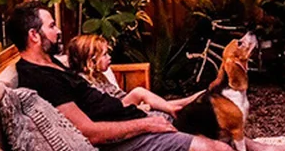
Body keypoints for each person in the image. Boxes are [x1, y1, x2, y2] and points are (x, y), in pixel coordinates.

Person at [7, 1, 285, 151]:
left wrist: (146, 112)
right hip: (121, 139)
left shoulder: (54, 65)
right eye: (51, 26)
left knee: (212, 122)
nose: (58, 31)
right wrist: (145, 123)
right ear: (34, 36)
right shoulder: (40, 77)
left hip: (130, 121)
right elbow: (89, 131)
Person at [66, 33, 203, 115]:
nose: (109, 57)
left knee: (155, 102)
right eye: (105, 54)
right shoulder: (85, 83)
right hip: (116, 110)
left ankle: (184, 102)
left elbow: (119, 94)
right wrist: (136, 107)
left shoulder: (100, 77)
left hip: (122, 104)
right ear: (91, 60)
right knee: (138, 92)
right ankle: (173, 107)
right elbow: (106, 107)